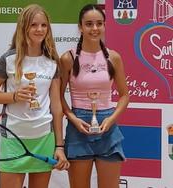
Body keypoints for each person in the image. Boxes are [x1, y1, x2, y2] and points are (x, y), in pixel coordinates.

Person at [0, 4, 69, 188]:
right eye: (33, 25)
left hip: (44, 139)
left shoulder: (52, 62)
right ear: (24, 26)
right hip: (13, 138)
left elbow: (56, 107)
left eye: (43, 25)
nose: (39, 30)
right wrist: (14, 96)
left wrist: (59, 146)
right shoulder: (8, 59)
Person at [60, 4, 129, 188]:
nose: (95, 28)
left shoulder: (114, 57)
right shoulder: (68, 58)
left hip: (108, 128)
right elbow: (58, 98)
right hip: (78, 129)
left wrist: (111, 119)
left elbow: (124, 96)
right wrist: (73, 119)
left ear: (105, 25)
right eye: (89, 24)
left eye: (99, 23)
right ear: (80, 27)